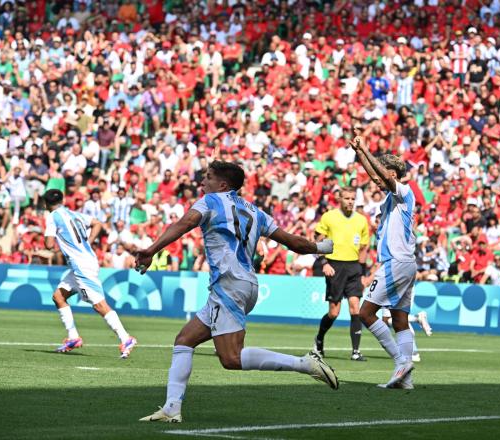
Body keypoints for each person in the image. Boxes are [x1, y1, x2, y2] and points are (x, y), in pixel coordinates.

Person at [136, 160, 338, 423]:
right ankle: (172, 408)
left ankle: (305, 364)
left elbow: (185, 223)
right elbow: (294, 242)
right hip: (244, 284)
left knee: (230, 358)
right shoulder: (256, 212)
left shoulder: (210, 201)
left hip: (229, 284)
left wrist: (151, 250)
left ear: (222, 185)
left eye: (207, 177)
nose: (202, 182)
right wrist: (321, 248)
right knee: (184, 340)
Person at [350, 130, 418, 389]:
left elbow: (383, 177)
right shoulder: (392, 197)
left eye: (381, 175)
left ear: (391, 175)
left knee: (365, 313)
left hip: (395, 263)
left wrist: (366, 149)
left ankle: (401, 362)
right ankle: (406, 379)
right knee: (400, 320)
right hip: (406, 263)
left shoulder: (403, 192)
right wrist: (360, 152)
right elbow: (375, 173)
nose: (374, 179)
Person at [43, 189, 137, 358]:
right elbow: (97, 223)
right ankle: (73, 338)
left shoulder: (52, 216)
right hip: (83, 262)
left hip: (81, 266)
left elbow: (49, 244)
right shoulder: (75, 214)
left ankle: (126, 337)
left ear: (45, 204)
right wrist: (88, 241)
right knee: (58, 297)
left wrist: (53, 239)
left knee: (99, 305)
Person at [313, 186, 370, 361]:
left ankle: (355, 351)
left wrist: (362, 272)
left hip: (353, 267)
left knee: (355, 308)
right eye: (347, 198)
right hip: (334, 266)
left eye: (353, 198)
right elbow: (318, 240)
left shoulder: (361, 220)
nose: (350, 201)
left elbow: (363, 247)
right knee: (334, 313)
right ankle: (319, 339)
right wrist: (324, 262)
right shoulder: (329, 217)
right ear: (340, 198)